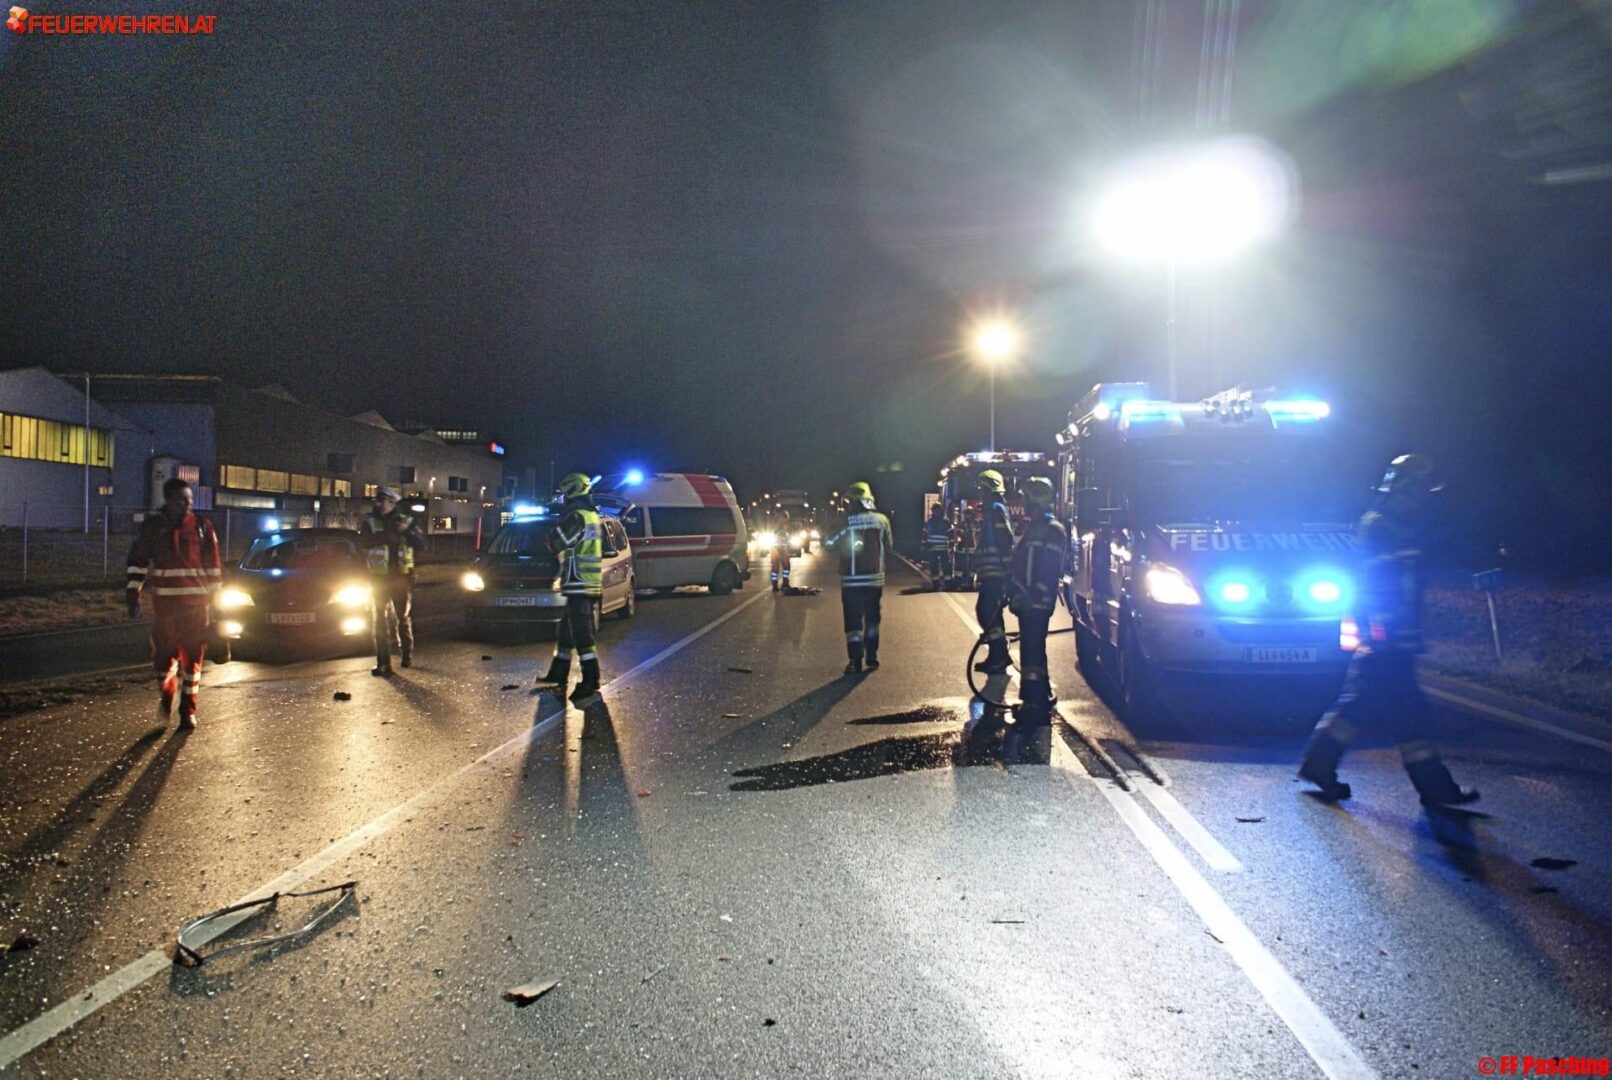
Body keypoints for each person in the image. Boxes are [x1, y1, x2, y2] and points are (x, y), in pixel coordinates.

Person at [1299, 454, 1479, 808]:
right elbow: (1375, 584)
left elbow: (1407, 581)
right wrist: (1382, 632)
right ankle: (1436, 790)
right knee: (1398, 713)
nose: (1425, 497)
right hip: (1387, 639)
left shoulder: (1400, 525)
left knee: (1379, 711)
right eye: (1421, 489)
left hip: (1396, 637)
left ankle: (1320, 766)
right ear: (1404, 488)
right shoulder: (1381, 526)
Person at [126, 478, 222, 728]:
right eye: (181, 500)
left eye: (189, 500)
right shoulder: (153, 528)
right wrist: (133, 592)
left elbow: (213, 568)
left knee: (193, 660)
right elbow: (138, 561)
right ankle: (167, 694)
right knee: (163, 658)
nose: (187, 504)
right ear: (168, 500)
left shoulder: (202, 526)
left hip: (197, 607)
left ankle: (187, 711)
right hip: (166, 607)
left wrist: (218, 605)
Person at [536, 472, 605, 706]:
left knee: (582, 635)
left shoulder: (576, 516)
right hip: (583, 582)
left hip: (579, 583)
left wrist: (555, 526)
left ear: (572, 492)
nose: (562, 499)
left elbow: (557, 543)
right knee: (566, 631)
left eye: (563, 495)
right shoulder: (590, 514)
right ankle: (558, 672)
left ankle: (591, 680)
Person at [1007, 476, 1068, 732]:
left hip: (1037, 603)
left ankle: (1034, 707)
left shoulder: (1053, 530)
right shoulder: (1035, 527)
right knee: (1032, 651)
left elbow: (1048, 570)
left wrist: (1029, 594)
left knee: (1031, 653)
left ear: (1037, 500)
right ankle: (1039, 696)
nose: (1023, 503)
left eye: (1027, 498)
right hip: (1028, 601)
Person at [825, 480, 892, 674]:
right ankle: (872, 657)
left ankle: (855, 660)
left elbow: (829, 544)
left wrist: (833, 527)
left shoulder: (845, 521)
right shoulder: (882, 520)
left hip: (851, 582)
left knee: (853, 623)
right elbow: (889, 546)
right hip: (874, 581)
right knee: (872, 621)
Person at [359, 487, 421, 677]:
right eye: (377, 500)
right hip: (379, 579)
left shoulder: (406, 521)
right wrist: (390, 535)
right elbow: (364, 542)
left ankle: (406, 654)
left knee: (403, 618)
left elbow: (421, 544)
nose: (378, 504)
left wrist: (406, 533)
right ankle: (383, 663)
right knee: (379, 621)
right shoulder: (370, 521)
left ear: (392, 503)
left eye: (383, 500)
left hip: (400, 579)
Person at [971, 470, 1016, 676]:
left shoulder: (996, 509)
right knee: (990, 613)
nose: (980, 492)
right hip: (992, 572)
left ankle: (999, 655)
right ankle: (998, 655)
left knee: (986, 611)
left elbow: (1004, 541)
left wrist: (1007, 573)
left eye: (982, 488)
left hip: (996, 572)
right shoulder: (992, 510)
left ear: (990, 490)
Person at [921, 503, 956, 590]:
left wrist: (952, 545)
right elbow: (924, 534)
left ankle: (948, 585)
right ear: (933, 511)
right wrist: (924, 545)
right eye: (935, 510)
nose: (937, 512)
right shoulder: (929, 522)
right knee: (933, 567)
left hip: (943, 549)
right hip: (932, 549)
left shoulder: (946, 522)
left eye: (938, 510)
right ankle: (935, 585)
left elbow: (951, 534)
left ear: (941, 511)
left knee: (946, 567)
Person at [768, 507, 793, 592]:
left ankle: (785, 582)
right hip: (775, 548)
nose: (786, 521)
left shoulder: (785, 527)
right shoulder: (775, 526)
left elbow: (787, 537)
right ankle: (775, 585)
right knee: (775, 567)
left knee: (786, 566)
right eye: (785, 519)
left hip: (782, 548)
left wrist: (788, 544)